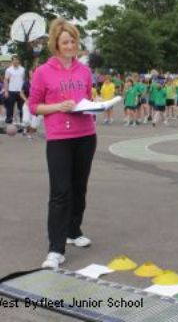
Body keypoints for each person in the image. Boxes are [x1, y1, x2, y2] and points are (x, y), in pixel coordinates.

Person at [29, 18, 97, 269]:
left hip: (86, 135)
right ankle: (55, 249)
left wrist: (95, 105)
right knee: (60, 193)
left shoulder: (84, 71)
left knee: (80, 188)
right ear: (56, 44)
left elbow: (88, 97)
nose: (71, 46)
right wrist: (59, 106)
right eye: (65, 41)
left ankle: (73, 231)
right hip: (59, 139)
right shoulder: (43, 72)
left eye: (73, 41)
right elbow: (34, 106)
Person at [20, 69, 42, 139]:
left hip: (38, 105)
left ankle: (30, 134)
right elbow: (21, 93)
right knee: (26, 121)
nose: (31, 75)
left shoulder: (41, 82)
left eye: (33, 74)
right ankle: (25, 129)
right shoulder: (26, 83)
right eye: (30, 74)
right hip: (28, 104)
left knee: (34, 124)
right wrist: (26, 100)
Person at [4, 55, 25, 125]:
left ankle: (22, 122)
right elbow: (6, 80)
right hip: (11, 91)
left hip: (20, 92)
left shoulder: (22, 69)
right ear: (12, 61)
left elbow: (23, 80)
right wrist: (6, 91)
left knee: (22, 108)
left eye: (17, 60)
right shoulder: (8, 70)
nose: (15, 61)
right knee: (10, 107)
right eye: (14, 60)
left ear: (19, 61)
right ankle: (8, 122)